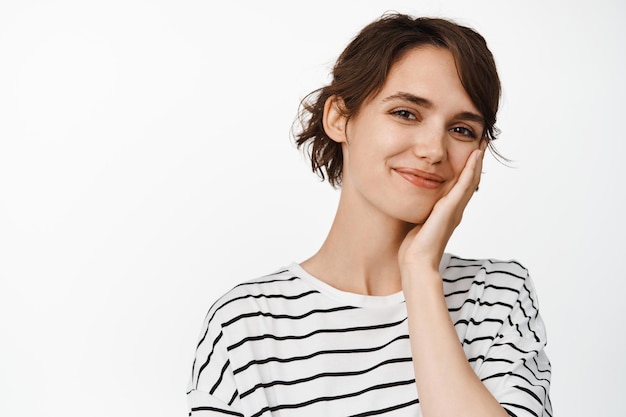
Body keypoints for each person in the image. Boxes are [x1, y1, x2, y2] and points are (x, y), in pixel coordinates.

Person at [187, 12, 552, 417]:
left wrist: (419, 272)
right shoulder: (247, 324)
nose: (434, 149)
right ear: (339, 117)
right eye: (406, 113)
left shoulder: (497, 296)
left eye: (462, 130)